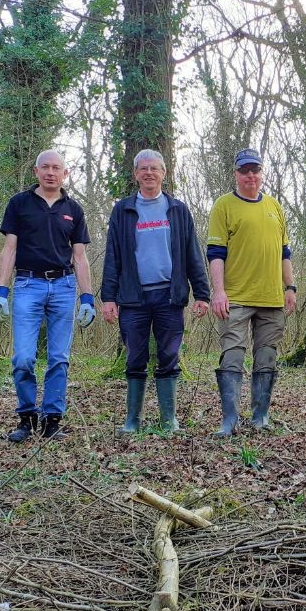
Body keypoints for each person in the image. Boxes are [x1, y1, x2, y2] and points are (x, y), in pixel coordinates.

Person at [100, 149, 210, 433]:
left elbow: (192, 254)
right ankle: (132, 420)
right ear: (136, 174)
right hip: (133, 298)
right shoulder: (122, 210)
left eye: (154, 169)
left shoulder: (177, 210)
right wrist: (108, 298)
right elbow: (113, 256)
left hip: (169, 297)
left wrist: (202, 294)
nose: (149, 173)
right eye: (143, 168)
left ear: (163, 173)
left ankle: (168, 419)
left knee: (169, 355)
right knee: (134, 356)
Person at [0, 150, 96, 442]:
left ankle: (52, 419)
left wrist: (87, 297)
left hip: (64, 287)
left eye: (56, 168)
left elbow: (80, 256)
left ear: (66, 173)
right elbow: (9, 249)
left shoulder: (73, 209)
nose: (51, 172)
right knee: (23, 357)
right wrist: (0, 290)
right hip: (27, 285)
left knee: (59, 358)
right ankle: (26, 416)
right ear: (36, 171)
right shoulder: (19, 204)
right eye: (45, 167)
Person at [207, 148, 296, 436]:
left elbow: (285, 252)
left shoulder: (275, 206)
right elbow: (216, 253)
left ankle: (260, 417)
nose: (250, 175)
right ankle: (229, 420)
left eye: (255, 170)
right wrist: (218, 291)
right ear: (236, 173)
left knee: (267, 356)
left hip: (271, 298)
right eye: (244, 170)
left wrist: (290, 287)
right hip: (236, 298)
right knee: (232, 356)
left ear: (261, 173)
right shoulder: (224, 206)